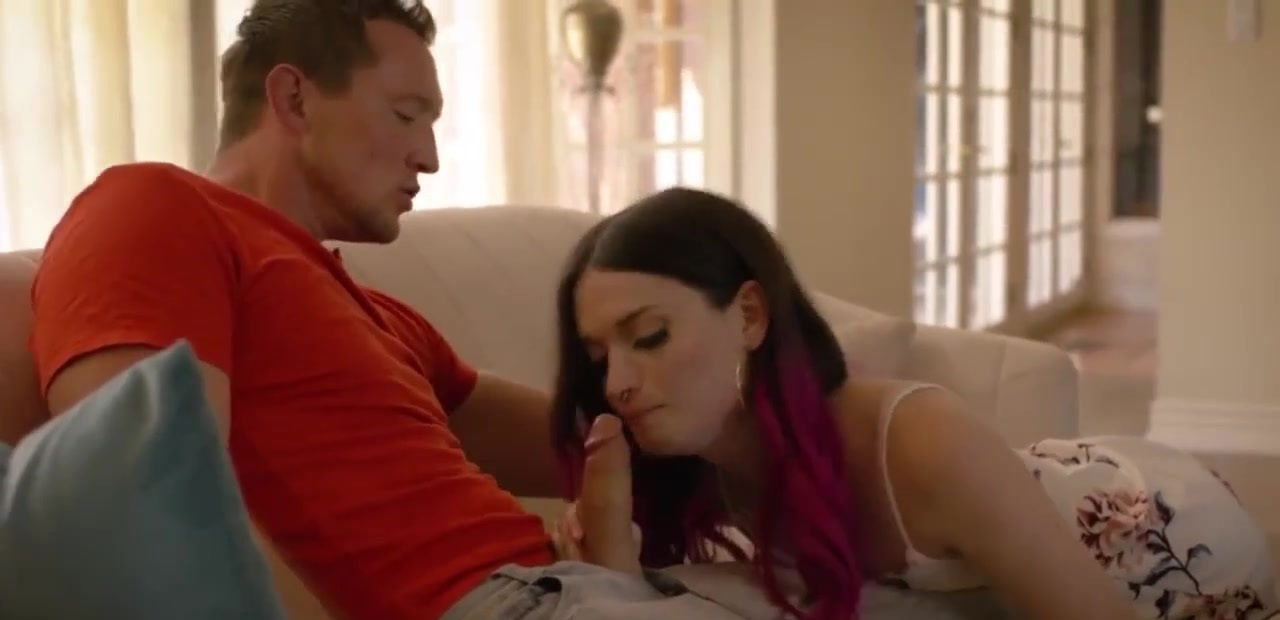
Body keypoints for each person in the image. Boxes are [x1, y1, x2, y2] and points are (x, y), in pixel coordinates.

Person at [24, 2, 662, 619]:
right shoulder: (157, 208)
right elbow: (145, 497)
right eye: (405, 114)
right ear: (294, 99)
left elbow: (600, 437)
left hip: (572, 589)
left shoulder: (379, 316)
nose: (429, 157)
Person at [548, 187, 1280, 620]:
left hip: (1171, 544)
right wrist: (613, 548)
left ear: (748, 316)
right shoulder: (692, 457)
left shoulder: (921, 441)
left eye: (649, 335)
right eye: (600, 356)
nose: (617, 382)